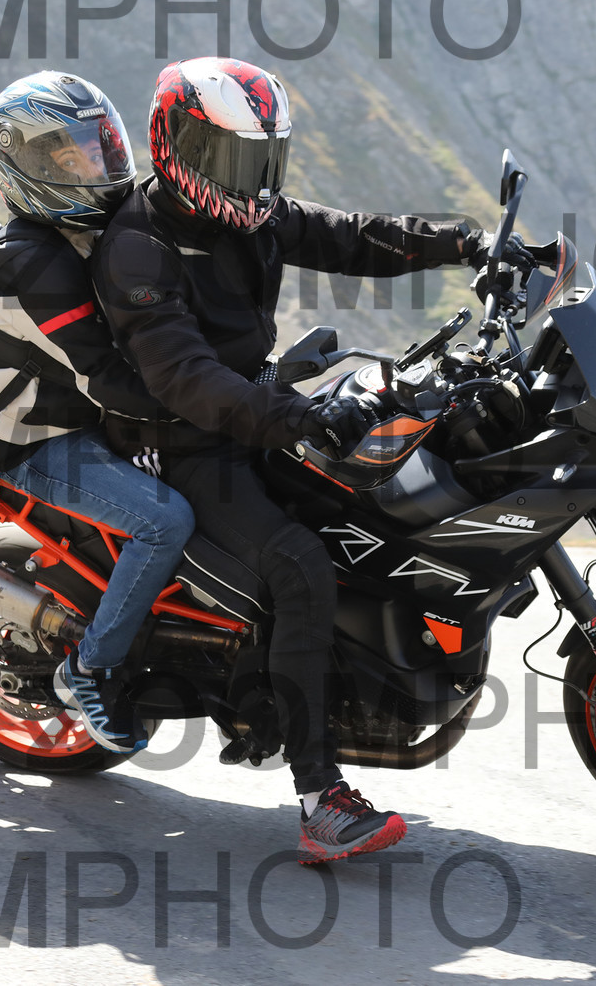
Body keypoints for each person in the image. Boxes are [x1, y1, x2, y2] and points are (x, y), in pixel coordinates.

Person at [89, 57, 526, 863]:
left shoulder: (250, 215)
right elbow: (187, 379)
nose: (252, 180)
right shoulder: (138, 249)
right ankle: (321, 798)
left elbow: (350, 234)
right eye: (233, 159)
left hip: (251, 407)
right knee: (299, 565)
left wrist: (465, 244)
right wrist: (299, 417)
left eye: (264, 159)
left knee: (372, 499)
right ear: (176, 146)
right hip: (181, 440)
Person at [0, 70, 195, 754]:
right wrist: (221, 402)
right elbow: (109, 381)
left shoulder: (85, 234)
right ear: (27, 166)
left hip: (86, 420)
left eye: (98, 149)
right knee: (164, 522)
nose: (93, 169)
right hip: (39, 441)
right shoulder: (29, 265)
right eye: (70, 158)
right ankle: (89, 668)